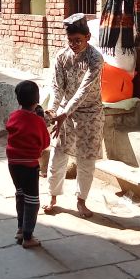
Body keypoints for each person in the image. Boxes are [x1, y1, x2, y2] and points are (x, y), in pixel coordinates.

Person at [43, 13, 104, 219]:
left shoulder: (95, 59)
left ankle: (81, 201)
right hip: (64, 115)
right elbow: (57, 88)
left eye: (78, 40)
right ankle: (52, 196)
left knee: (86, 159)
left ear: (88, 37)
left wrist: (64, 112)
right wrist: (53, 111)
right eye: (70, 40)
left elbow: (84, 90)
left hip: (91, 114)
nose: (73, 45)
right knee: (58, 155)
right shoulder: (62, 57)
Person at [7, 80, 51, 249]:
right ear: (37, 99)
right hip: (29, 166)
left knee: (20, 195)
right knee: (32, 200)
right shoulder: (38, 121)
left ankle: (20, 229)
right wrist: (41, 120)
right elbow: (45, 143)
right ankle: (28, 236)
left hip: (13, 164)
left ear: (18, 99)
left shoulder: (13, 116)